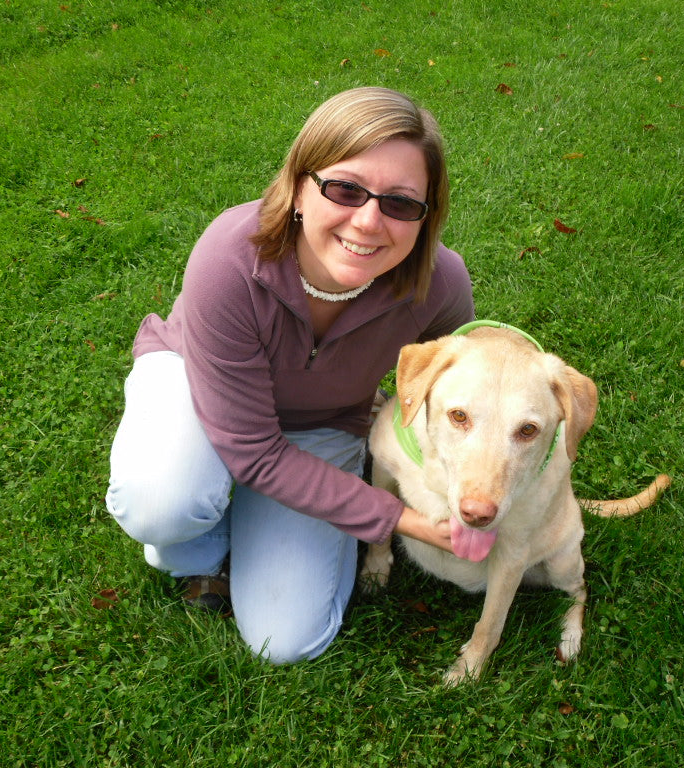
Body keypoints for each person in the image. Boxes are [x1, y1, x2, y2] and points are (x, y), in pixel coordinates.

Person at [106, 86, 475, 664]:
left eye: (401, 204)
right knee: (164, 504)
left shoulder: (441, 284)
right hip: (200, 389)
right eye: (345, 189)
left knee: (287, 641)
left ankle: (250, 516)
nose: (369, 220)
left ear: (426, 218)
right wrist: (405, 520)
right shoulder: (230, 258)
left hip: (322, 421)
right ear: (300, 186)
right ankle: (202, 544)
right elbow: (255, 449)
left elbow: (461, 395)